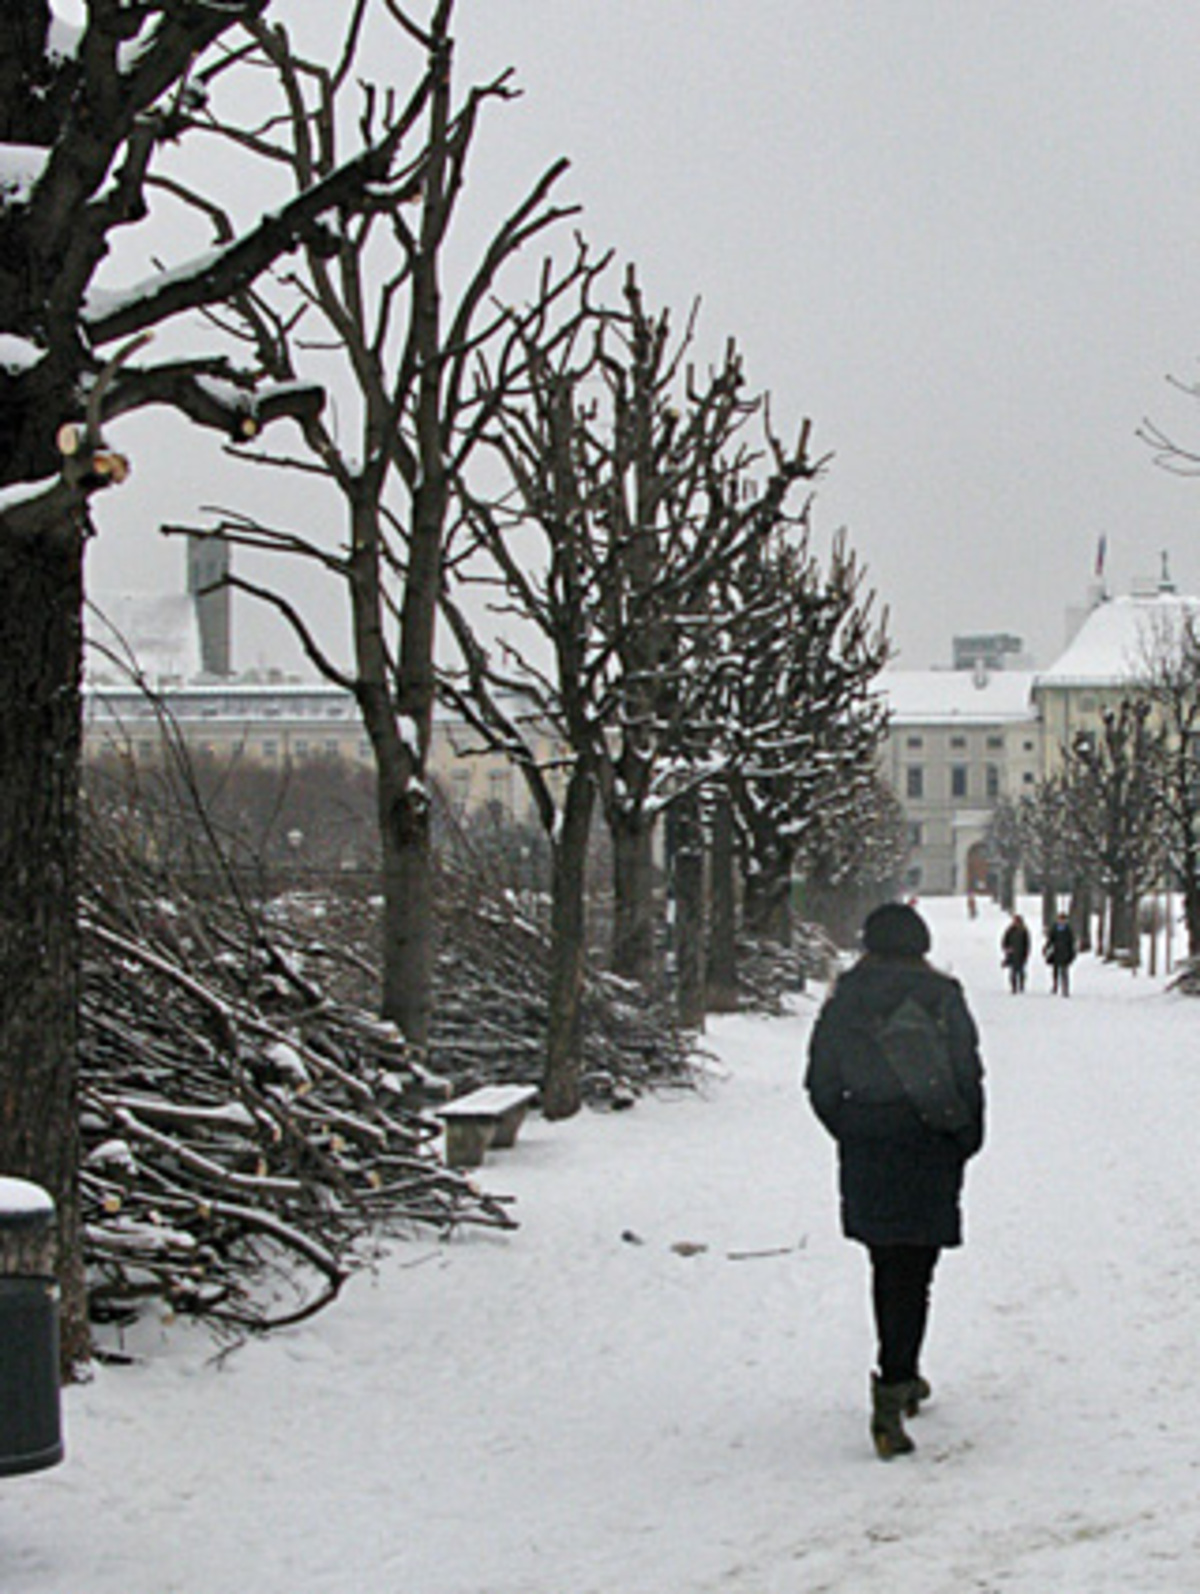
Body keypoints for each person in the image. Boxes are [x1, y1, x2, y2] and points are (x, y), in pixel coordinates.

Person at [804, 901, 986, 1460]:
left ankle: (899, 1376)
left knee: (886, 1266)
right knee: (917, 1270)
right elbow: (966, 1072)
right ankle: (898, 1380)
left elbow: (820, 1081)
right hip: (930, 1144)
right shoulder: (944, 995)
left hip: (872, 1147)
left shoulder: (846, 997)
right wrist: (964, 1139)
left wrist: (853, 1129)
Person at [1043, 911, 1076, 996]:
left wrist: (1072, 954)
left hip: (1065, 953)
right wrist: (1046, 948)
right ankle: (1055, 986)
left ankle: (1065, 989)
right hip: (1056, 953)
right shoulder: (1054, 929)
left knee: (1064, 972)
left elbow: (1072, 943)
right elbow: (1050, 940)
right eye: (1060, 919)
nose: (1061, 921)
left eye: (1063, 919)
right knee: (1055, 971)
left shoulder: (1068, 930)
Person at [1000, 911, 1031, 993]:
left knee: (1021, 971)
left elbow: (1027, 943)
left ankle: (1021, 985)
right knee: (1013, 971)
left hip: (1021, 954)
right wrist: (1007, 948)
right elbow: (1004, 941)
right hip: (1012, 954)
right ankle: (1014, 987)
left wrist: (1026, 953)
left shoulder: (1024, 931)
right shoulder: (1010, 930)